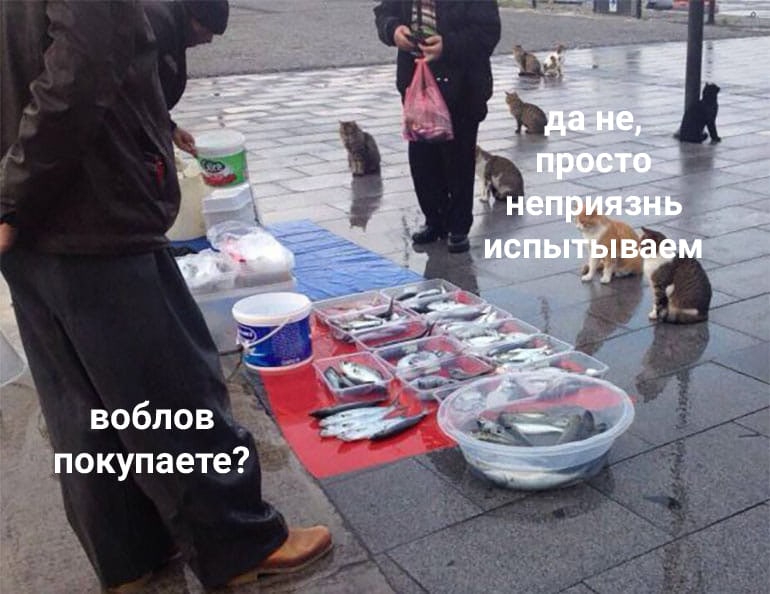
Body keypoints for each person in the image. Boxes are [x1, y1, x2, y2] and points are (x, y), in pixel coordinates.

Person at [0, 2, 331, 591]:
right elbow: (81, 67)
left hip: (30, 223)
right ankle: (239, 544)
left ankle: (131, 555)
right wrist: (13, 194)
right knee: (173, 390)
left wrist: (10, 196)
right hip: (92, 208)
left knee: (82, 405)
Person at [374, 0, 501, 254]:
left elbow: (488, 32)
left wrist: (448, 46)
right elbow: (384, 12)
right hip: (416, 82)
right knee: (422, 158)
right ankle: (435, 219)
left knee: (458, 158)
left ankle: (458, 227)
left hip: (463, 85)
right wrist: (394, 30)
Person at [143, 0, 229, 156]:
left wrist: (172, 129)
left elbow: (152, 98)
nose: (208, 39)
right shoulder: (158, 25)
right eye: (207, 30)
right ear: (193, 17)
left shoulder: (175, 28)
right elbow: (141, 94)